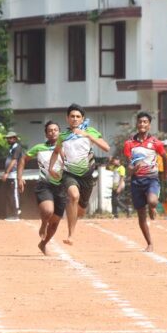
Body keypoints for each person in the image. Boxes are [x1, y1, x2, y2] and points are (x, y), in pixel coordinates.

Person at [48, 103, 110, 245]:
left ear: (82, 119)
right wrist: (51, 168)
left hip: (87, 176)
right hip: (69, 173)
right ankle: (71, 235)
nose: (75, 119)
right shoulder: (63, 136)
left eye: (78, 116)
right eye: (72, 116)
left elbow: (106, 147)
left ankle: (74, 215)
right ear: (67, 118)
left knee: (81, 211)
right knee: (73, 196)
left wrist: (87, 135)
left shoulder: (90, 131)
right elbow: (56, 152)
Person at [17, 121, 66, 255]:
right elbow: (22, 159)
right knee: (48, 211)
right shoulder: (39, 147)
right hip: (45, 185)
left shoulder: (65, 147)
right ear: (46, 134)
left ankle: (43, 244)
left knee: (55, 223)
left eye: (56, 130)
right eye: (50, 130)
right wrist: (19, 178)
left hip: (61, 187)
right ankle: (44, 223)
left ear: (59, 132)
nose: (53, 132)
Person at [124, 111, 167, 252]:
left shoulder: (156, 143)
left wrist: (165, 174)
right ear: (136, 124)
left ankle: (153, 207)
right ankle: (149, 243)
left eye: (145, 122)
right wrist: (133, 168)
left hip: (151, 178)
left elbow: (165, 158)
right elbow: (129, 165)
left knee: (153, 201)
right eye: (140, 122)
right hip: (137, 181)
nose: (142, 124)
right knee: (141, 214)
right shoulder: (129, 143)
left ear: (149, 125)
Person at [1, 131, 23, 221]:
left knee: (14, 195)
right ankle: (12, 214)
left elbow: (14, 161)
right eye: (7, 138)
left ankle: (16, 214)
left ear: (14, 138)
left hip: (13, 175)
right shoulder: (12, 148)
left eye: (10, 138)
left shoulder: (17, 147)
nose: (8, 140)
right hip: (10, 175)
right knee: (10, 195)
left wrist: (6, 172)